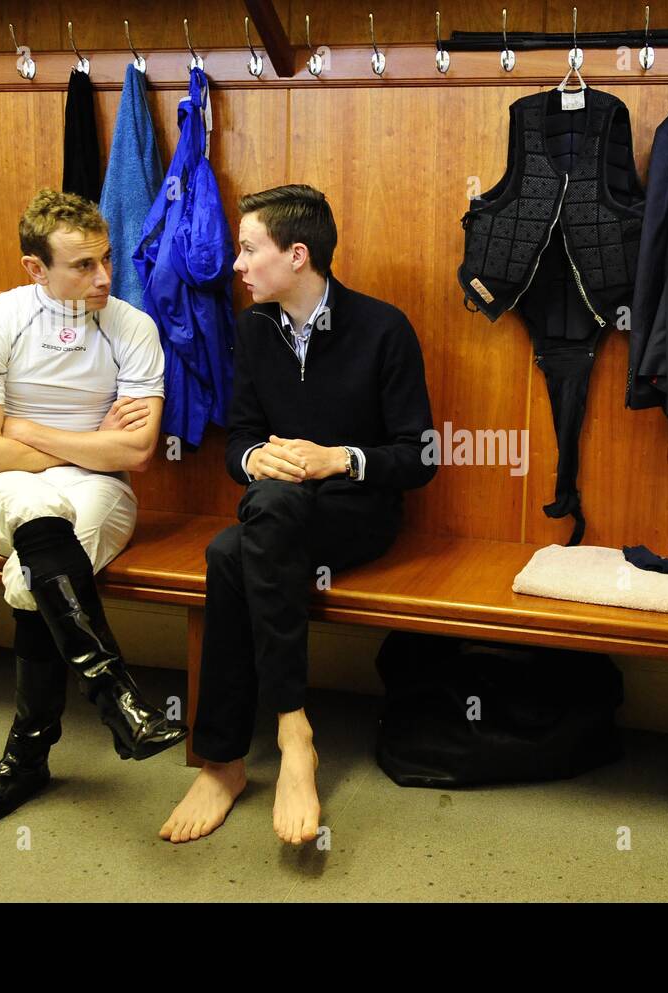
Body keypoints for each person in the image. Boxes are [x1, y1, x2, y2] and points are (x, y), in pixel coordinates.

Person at [159, 184, 437, 846]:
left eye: (250, 249)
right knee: (236, 544)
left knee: (242, 542)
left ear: (298, 254)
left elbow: (419, 456)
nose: (237, 265)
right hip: (278, 510)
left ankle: (238, 753)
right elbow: (240, 442)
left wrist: (334, 458)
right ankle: (275, 736)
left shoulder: (383, 328)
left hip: (357, 512)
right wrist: (260, 460)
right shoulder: (254, 332)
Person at [0, 188, 187, 833]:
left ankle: (26, 759)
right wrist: (85, 446)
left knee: (30, 577)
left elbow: (135, 453)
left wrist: (28, 430)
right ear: (35, 268)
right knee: (33, 506)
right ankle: (118, 700)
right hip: (11, 486)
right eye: (82, 265)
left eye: (106, 260)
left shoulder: (133, 326)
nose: (104, 277)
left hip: (103, 492)